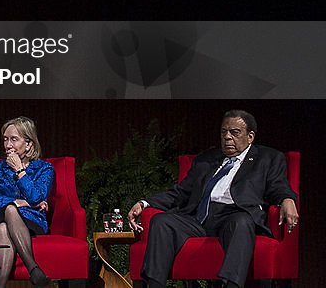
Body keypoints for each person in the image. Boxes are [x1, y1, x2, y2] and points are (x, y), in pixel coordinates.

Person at [126, 109, 299, 288]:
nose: (227, 137)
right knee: (161, 221)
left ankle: (230, 285)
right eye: (224, 132)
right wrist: (144, 203)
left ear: (250, 136)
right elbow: (181, 193)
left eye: (235, 132)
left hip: (235, 215)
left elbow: (278, 185)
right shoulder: (206, 159)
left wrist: (287, 199)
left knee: (241, 222)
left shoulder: (267, 158)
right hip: (200, 218)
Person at [0, 116, 53, 288]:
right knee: (8, 214)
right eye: (5, 139)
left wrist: (19, 170)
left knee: (6, 222)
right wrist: (19, 201)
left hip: (30, 220)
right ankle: (33, 269)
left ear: (28, 144)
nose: (8, 145)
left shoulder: (44, 169)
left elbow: (37, 196)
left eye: (14, 139)